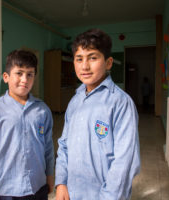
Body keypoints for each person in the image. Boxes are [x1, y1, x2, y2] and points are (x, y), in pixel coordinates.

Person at [55, 29, 140, 200]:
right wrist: (61, 183)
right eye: (79, 59)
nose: (84, 66)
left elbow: (125, 161)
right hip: (72, 192)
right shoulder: (75, 101)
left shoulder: (120, 102)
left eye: (93, 58)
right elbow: (64, 146)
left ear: (108, 63)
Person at [0, 50, 54, 200]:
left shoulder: (42, 110)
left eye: (30, 74)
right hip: (7, 190)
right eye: (19, 73)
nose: (24, 79)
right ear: (6, 77)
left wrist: (50, 176)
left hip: (38, 187)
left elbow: (48, 148)